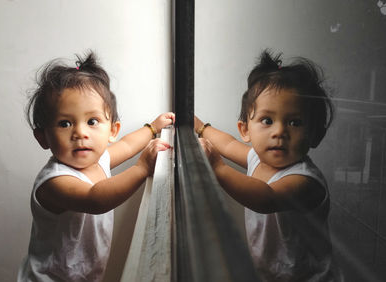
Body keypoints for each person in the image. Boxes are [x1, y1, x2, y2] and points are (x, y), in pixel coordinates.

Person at [18, 51, 174, 282]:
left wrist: (152, 128)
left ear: (112, 130)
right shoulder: (54, 182)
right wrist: (141, 168)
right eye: (65, 123)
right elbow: (95, 199)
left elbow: (128, 144)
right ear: (43, 137)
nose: (80, 132)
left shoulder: (99, 160)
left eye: (92, 121)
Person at [196, 50, 340, 281]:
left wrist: (217, 168)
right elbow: (228, 143)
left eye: (295, 122)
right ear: (245, 129)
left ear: (315, 134)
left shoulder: (305, 181)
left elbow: (266, 198)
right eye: (267, 120)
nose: (279, 131)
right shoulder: (257, 159)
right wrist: (201, 127)